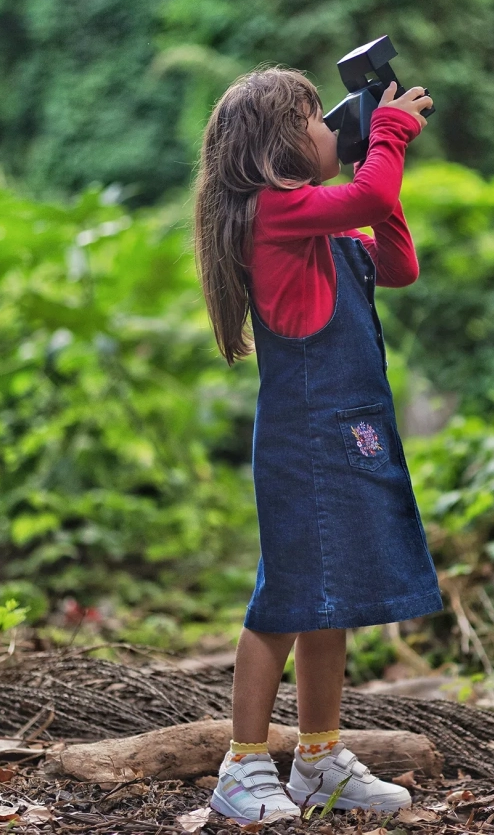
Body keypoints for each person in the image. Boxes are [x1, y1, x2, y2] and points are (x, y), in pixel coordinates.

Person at [193, 66, 443, 826]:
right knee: (285, 601)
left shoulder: (326, 225)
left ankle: (318, 757)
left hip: (353, 436)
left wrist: (381, 173)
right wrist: (391, 136)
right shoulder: (276, 213)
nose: (332, 130)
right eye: (316, 119)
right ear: (278, 147)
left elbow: (399, 266)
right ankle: (240, 767)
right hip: (306, 441)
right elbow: (366, 193)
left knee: (327, 602)